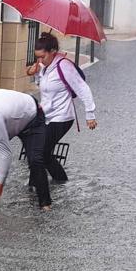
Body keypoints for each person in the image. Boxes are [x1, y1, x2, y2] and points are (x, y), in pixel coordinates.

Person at [26, 33, 97, 184]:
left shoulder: (64, 66)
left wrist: (90, 114)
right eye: (37, 57)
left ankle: (60, 181)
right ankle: (34, 183)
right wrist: (37, 73)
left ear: (52, 51)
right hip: (46, 115)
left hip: (62, 118)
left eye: (42, 56)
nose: (39, 60)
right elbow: (44, 88)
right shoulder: (45, 66)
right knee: (38, 151)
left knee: (42, 153)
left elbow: (83, 89)